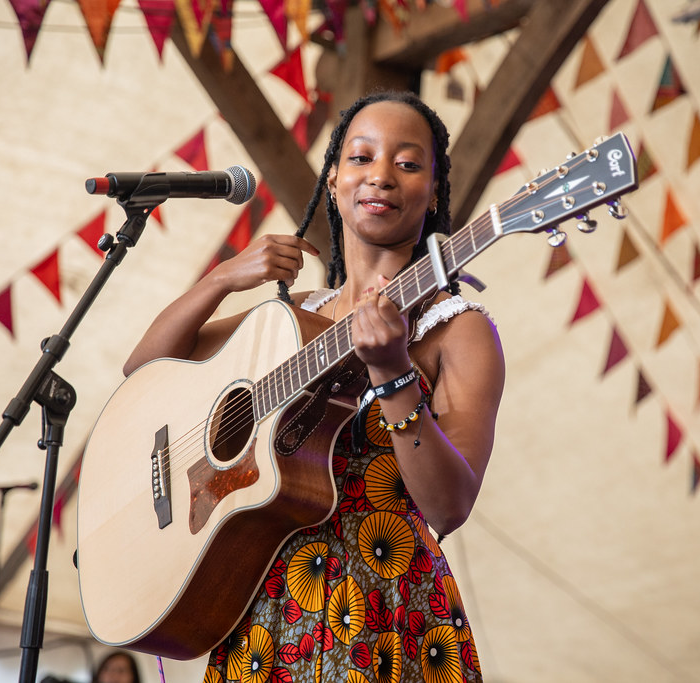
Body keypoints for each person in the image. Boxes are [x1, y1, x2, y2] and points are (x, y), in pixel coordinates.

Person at [123, 90, 504, 682]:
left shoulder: (459, 330)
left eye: (407, 164)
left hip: (385, 610)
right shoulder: (292, 316)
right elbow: (145, 370)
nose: (380, 175)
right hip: (263, 605)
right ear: (332, 180)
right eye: (361, 157)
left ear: (434, 191)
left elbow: (448, 507)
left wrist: (393, 372)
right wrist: (223, 278)